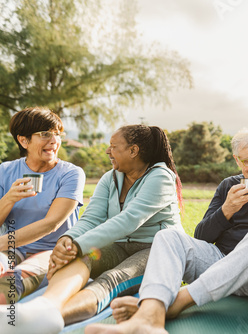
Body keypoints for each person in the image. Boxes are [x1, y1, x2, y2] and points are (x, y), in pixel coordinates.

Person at [85, 125, 248, 334]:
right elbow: (202, 236)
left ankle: (176, 303)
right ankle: (150, 316)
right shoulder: (228, 186)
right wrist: (227, 210)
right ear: (237, 160)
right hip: (222, 266)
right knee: (169, 236)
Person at [1, 124, 184, 334]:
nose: (108, 151)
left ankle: (51, 318)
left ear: (133, 151)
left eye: (114, 146)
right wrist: (68, 242)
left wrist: (78, 244)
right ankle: (42, 308)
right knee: (79, 258)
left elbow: (129, 220)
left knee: (113, 278)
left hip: (157, 248)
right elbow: (91, 218)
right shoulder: (110, 178)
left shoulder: (161, 177)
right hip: (120, 246)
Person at [0, 107, 85, 304]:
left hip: (51, 251)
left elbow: (52, 223)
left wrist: (3, 243)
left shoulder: (71, 174)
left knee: (10, 284)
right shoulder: (5, 171)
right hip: (12, 249)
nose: (54, 140)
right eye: (45, 134)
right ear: (23, 140)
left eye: (57, 134)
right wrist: (8, 199)